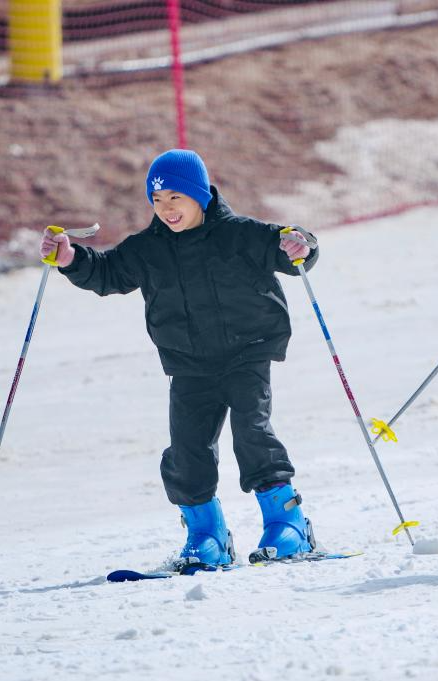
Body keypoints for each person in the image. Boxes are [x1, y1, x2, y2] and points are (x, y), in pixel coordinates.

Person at [39, 149, 318, 568]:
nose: (166, 209)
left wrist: (301, 244)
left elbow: (292, 250)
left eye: (175, 198)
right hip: (189, 361)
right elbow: (108, 273)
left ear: (199, 195)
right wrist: (70, 259)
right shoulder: (148, 249)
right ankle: (208, 534)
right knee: (187, 450)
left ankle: (288, 523)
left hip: (248, 349)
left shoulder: (240, 234)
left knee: (252, 431)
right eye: (157, 201)